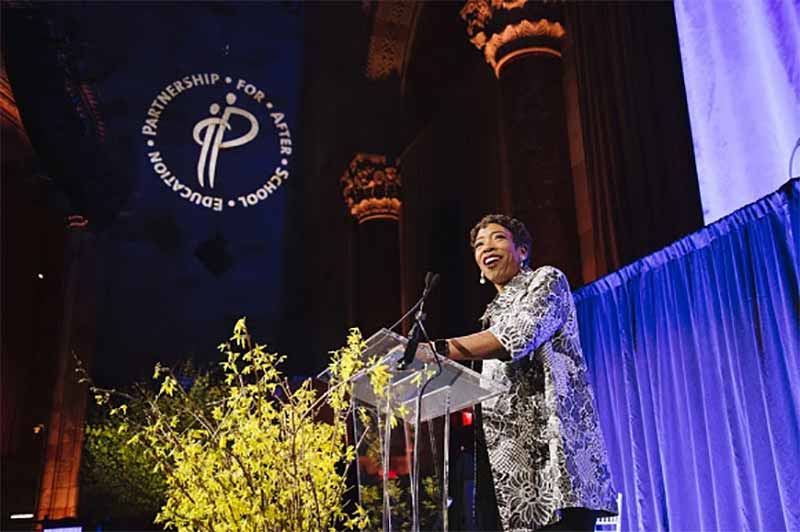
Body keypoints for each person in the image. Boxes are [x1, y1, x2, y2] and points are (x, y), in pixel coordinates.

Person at [428, 214, 617, 531]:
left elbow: (518, 336)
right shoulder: (491, 314)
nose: (487, 246)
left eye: (498, 237)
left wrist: (438, 350)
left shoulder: (547, 281)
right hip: (511, 476)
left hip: (555, 468)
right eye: (478, 244)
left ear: (523, 251)